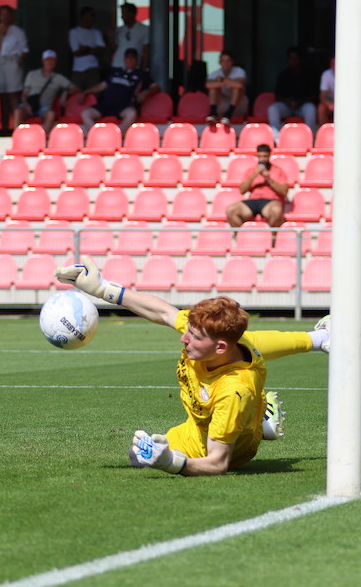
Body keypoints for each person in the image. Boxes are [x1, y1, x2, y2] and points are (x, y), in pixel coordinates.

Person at [54, 256, 330, 476]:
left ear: (220, 347)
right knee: (135, 455)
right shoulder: (218, 336)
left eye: (194, 337)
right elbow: (164, 312)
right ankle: (318, 341)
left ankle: (256, 420)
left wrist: (173, 463)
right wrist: (104, 289)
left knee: (140, 459)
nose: (184, 338)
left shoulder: (234, 390)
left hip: (222, 445)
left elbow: (218, 463)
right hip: (197, 424)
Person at [81, 47, 158, 133]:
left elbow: (156, 87)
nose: (130, 60)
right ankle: (97, 135)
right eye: (128, 57)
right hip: (106, 104)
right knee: (86, 113)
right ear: (124, 59)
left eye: (133, 57)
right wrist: (86, 91)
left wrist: (146, 92)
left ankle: (117, 135)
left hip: (124, 106)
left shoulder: (141, 74)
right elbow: (102, 85)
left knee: (132, 113)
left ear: (137, 60)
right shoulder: (115, 72)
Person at [226, 144, 289, 229]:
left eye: (265, 156)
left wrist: (268, 179)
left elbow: (284, 192)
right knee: (231, 210)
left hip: (271, 201)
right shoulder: (251, 170)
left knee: (276, 211)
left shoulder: (278, 171)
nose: (262, 159)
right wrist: (254, 175)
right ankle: (242, 238)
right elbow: (242, 190)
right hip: (253, 200)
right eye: (260, 156)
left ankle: (271, 239)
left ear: (270, 155)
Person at [13, 49, 75, 132]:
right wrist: (26, 105)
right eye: (47, 60)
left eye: (52, 60)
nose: (49, 62)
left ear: (55, 62)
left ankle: (42, 137)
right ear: (43, 61)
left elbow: (75, 88)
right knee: (18, 111)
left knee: (51, 114)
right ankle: (16, 136)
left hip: (44, 108)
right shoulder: (32, 74)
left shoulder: (58, 78)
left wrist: (65, 92)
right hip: (30, 104)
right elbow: (24, 94)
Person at [0, 4, 28, 132]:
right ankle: (4, 127)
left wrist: (19, 61)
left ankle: (16, 127)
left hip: (13, 62)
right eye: (2, 14)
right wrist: (1, 33)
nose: (4, 17)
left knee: (13, 95)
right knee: (2, 96)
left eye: (7, 14)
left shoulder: (18, 31)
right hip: (0, 63)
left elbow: (25, 49)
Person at [267, 46, 317, 132]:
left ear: (300, 59)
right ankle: (276, 137)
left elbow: (315, 95)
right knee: (273, 109)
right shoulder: (283, 75)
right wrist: (287, 101)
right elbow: (277, 96)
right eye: (291, 59)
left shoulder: (308, 74)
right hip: (287, 106)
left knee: (311, 108)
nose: (293, 61)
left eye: (295, 59)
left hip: (302, 106)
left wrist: (299, 102)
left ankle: (310, 136)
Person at [68, 7, 106, 91]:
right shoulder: (74, 32)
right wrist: (93, 50)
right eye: (91, 15)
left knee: (92, 97)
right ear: (83, 16)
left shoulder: (97, 32)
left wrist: (87, 49)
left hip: (93, 70)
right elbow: (76, 52)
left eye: (94, 16)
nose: (93, 18)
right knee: (75, 97)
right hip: (78, 70)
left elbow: (102, 51)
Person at [205, 50, 248, 124]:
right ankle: (214, 114)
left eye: (228, 61)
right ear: (219, 62)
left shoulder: (239, 71)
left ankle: (229, 114)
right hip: (222, 106)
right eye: (223, 61)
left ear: (232, 62)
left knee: (236, 89)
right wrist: (227, 82)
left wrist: (222, 80)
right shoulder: (215, 73)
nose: (226, 63)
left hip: (238, 107)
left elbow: (240, 85)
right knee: (213, 89)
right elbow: (208, 85)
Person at [110, 2, 150, 70]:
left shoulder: (144, 29)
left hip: (134, 67)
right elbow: (113, 48)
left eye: (124, 13)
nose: (122, 16)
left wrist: (144, 67)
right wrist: (110, 37)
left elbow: (146, 50)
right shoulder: (119, 30)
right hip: (117, 65)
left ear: (132, 14)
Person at [317, 55, 336, 126]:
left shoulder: (350, 74)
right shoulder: (326, 74)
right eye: (332, 63)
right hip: (331, 101)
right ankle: (324, 130)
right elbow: (322, 95)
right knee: (321, 107)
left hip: (345, 102)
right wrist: (329, 104)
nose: (335, 66)